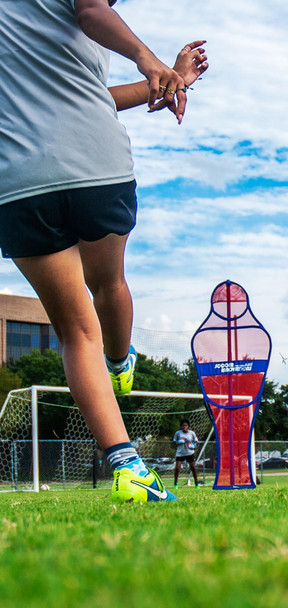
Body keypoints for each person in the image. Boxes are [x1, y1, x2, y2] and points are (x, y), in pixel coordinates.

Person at [0, 0, 208, 503]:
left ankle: (127, 467)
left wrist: (174, 77)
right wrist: (149, 59)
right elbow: (92, 10)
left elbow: (94, 98)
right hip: (95, 166)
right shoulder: (92, 14)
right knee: (108, 284)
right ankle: (119, 364)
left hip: (18, 181)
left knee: (75, 331)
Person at [172, 419, 200, 489]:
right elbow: (174, 441)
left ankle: (196, 484)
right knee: (178, 468)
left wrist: (193, 445)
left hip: (189, 453)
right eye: (183, 425)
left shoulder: (192, 433)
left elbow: (196, 441)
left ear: (188, 426)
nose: (184, 427)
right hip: (180, 453)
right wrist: (178, 442)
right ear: (181, 426)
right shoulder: (178, 433)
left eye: (186, 425)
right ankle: (175, 484)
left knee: (193, 468)